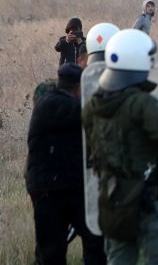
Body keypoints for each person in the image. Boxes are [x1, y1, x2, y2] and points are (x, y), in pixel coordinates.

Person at [82, 29, 158, 263]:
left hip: (112, 198)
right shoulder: (141, 103)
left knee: (119, 258)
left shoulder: (93, 106)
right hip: (147, 198)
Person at [26, 62, 105, 265]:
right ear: (79, 88)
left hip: (68, 188)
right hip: (51, 191)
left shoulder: (53, 104)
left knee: (95, 243)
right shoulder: (54, 104)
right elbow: (87, 113)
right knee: (51, 252)